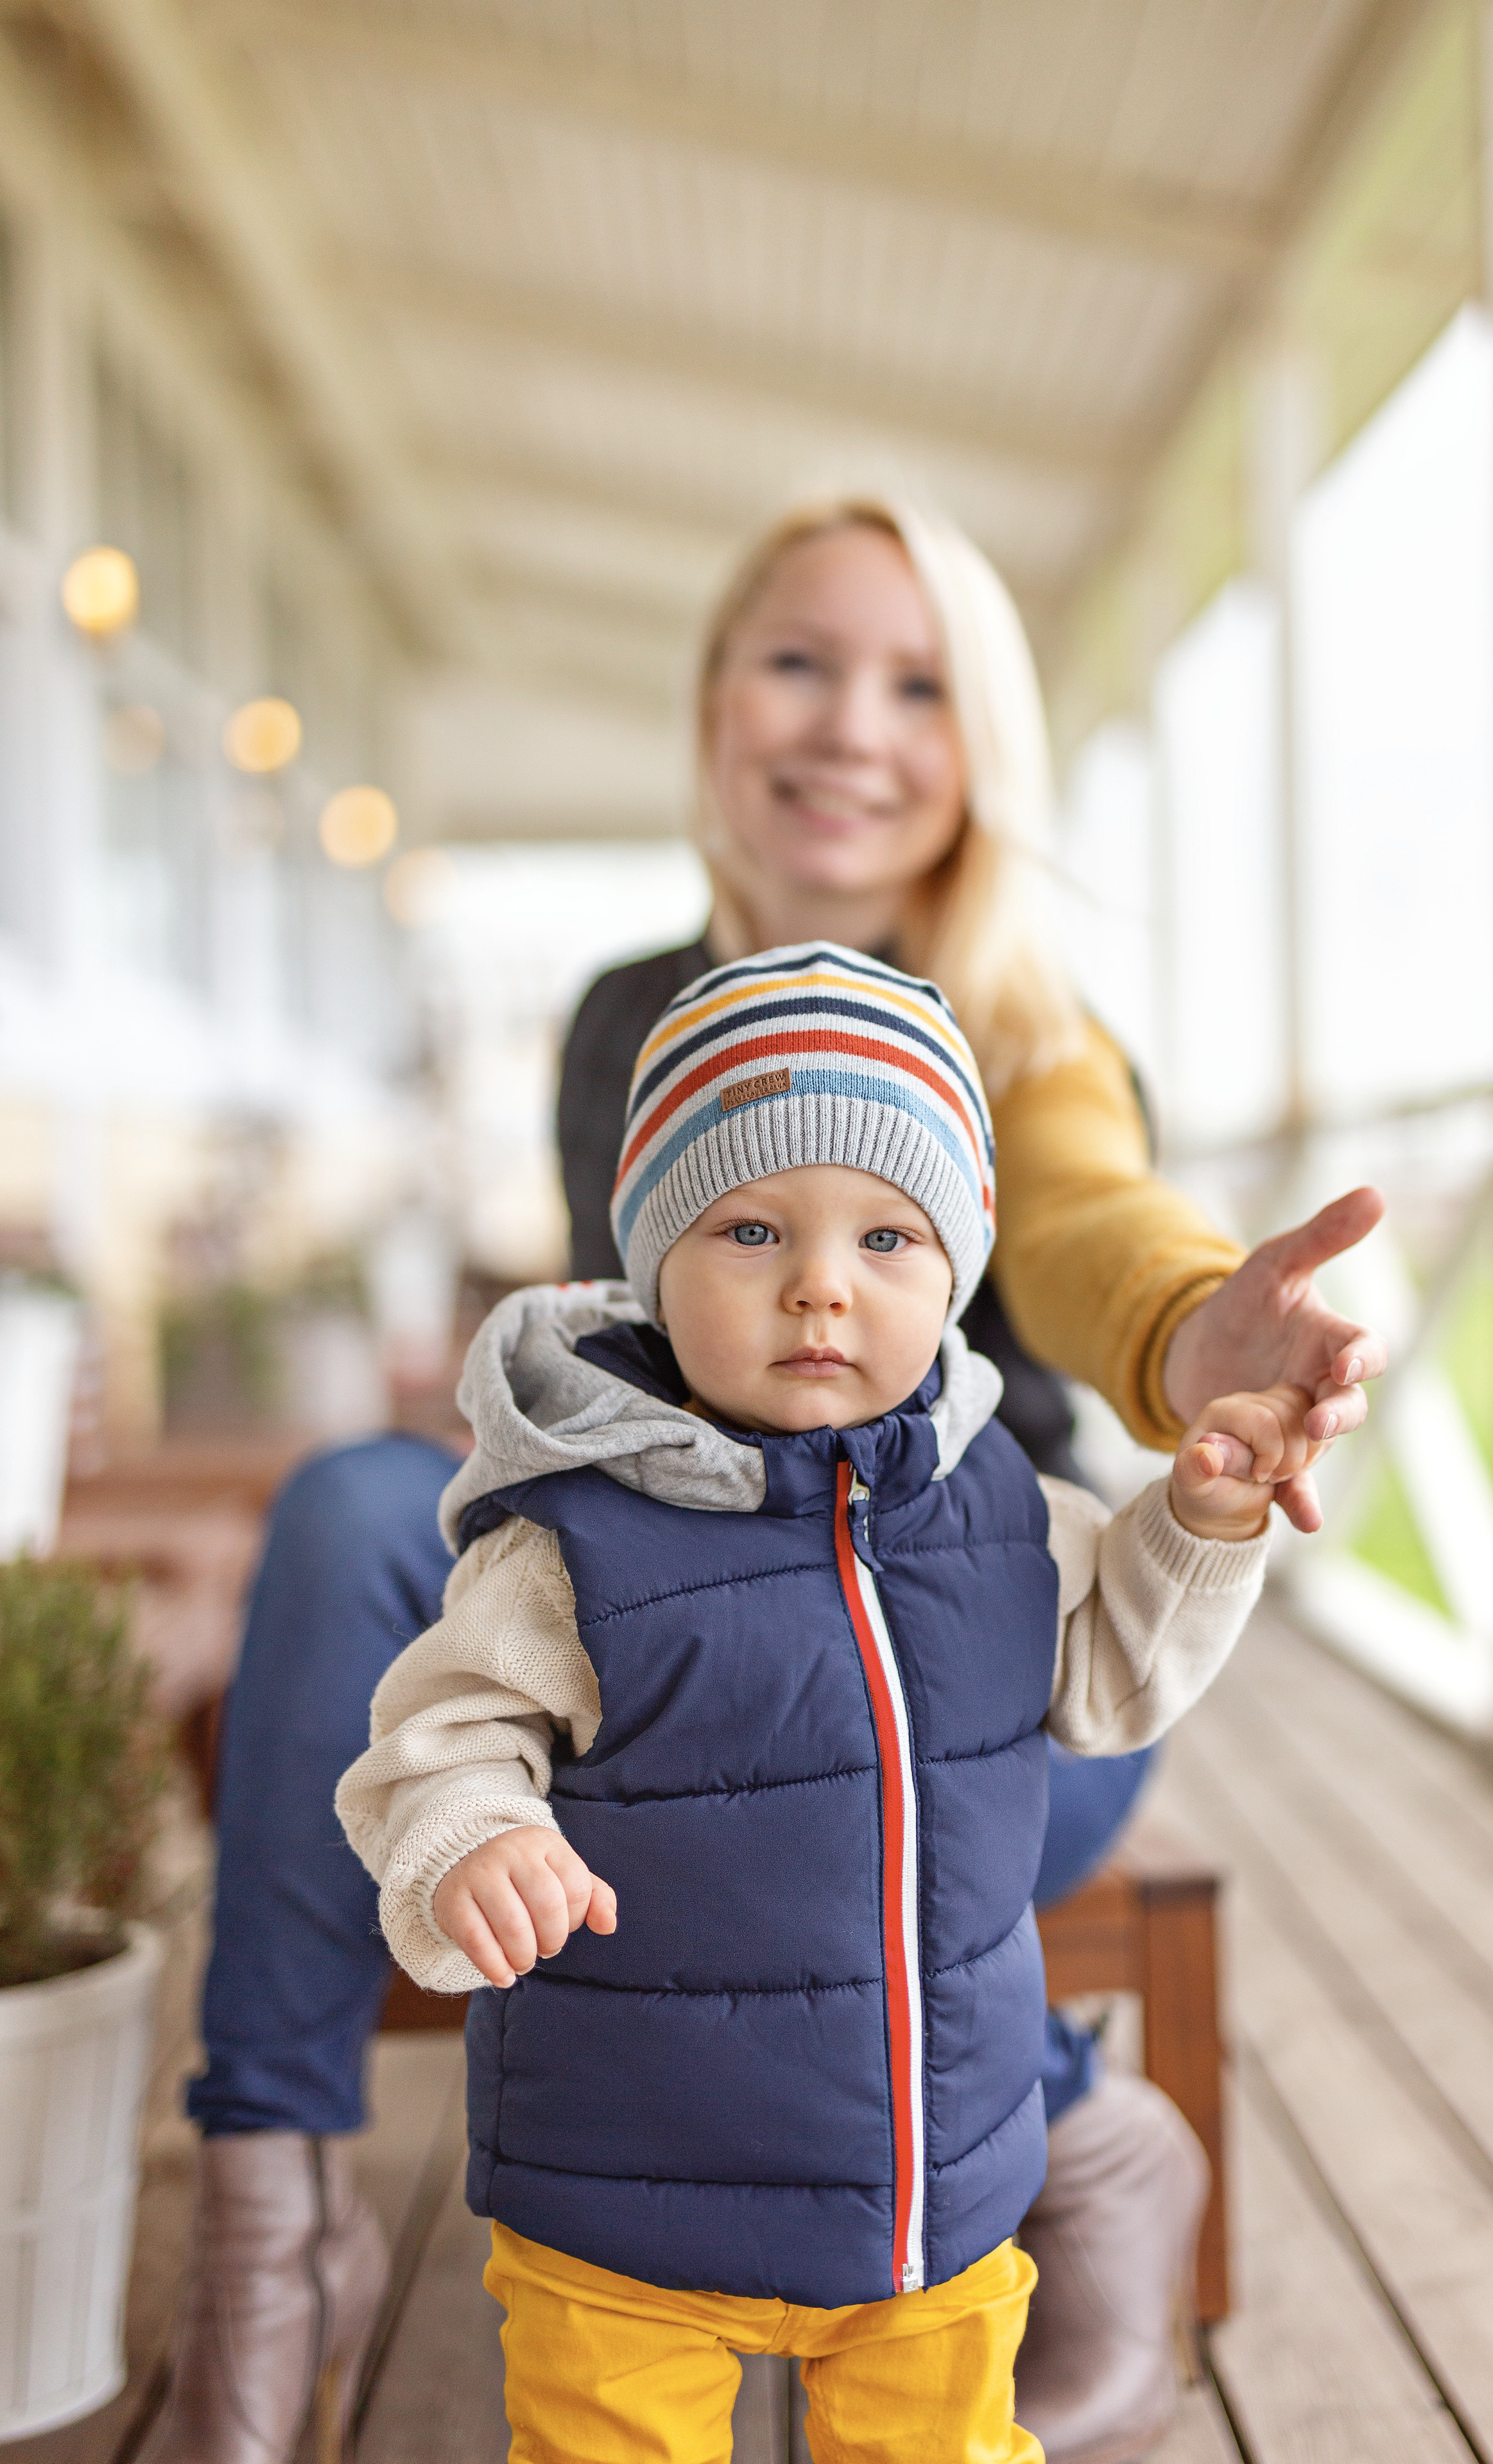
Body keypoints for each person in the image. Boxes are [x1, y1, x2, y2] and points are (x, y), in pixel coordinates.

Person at [146, 497, 1386, 2464]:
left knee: (766, 1768)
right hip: (715, 1603)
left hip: (991, 1642)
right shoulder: (625, 1021)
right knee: (359, 1516)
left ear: (981, 746)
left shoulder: (1029, 1026)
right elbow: (629, 1401)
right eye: (801, 663)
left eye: (920, 686)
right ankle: (268, 2239)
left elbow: (1088, 1221)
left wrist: (1186, 1343)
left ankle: (1063, 2123)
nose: (851, 728)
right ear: (717, 700)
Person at [336, 948, 1311, 2464]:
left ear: (956, 1270)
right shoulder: (573, 1539)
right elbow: (436, 1739)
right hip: (627, 2186)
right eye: (749, 1229)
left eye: (886, 1235)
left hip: (929, 2178)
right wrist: (474, 1837)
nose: (819, 1283)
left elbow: (1110, 1677)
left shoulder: (1002, 1506)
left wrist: (1197, 1521)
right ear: (651, 1259)